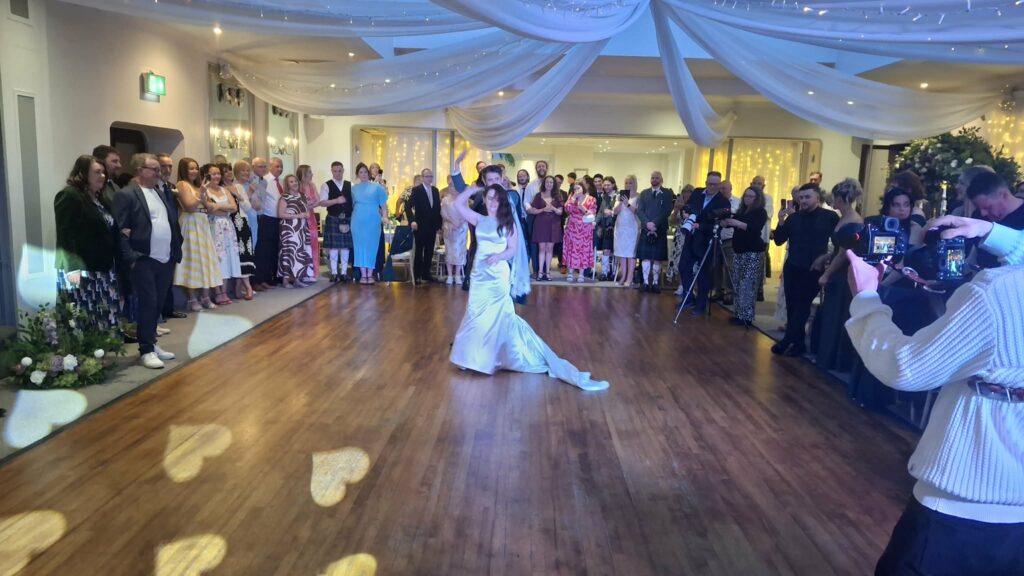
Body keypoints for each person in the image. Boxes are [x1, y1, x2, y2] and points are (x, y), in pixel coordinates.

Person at [845, 216, 1024, 576]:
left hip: (962, 508)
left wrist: (866, 299)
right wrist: (994, 235)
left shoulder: (998, 290)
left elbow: (905, 367)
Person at [448, 177, 608, 392]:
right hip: (479, 275)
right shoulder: (479, 219)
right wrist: (472, 189)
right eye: (489, 199)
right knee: (475, 312)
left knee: (497, 315)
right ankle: (471, 357)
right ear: (485, 201)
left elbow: (513, 249)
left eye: (496, 199)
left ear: (502, 201)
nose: (492, 203)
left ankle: (490, 357)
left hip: (497, 276)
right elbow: (459, 205)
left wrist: (499, 256)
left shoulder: (508, 223)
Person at [112, 154, 182, 369]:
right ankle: (146, 350)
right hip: (143, 259)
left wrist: (175, 247)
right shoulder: (127, 194)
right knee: (148, 303)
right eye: (153, 169)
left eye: (158, 169)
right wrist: (131, 258)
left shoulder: (160, 193)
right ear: (139, 170)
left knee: (158, 303)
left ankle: (151, 342)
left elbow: (169, 222)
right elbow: (121, 230)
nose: (158, 173)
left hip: (165, 258)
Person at [54, 155, 121, 332]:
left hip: (102, 269)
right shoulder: (69, 196)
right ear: (83, 174)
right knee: (81, 319)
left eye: (103, 172)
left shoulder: (99, 199)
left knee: (102, 318)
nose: (102, 176)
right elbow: (65, 234)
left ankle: (101, 354)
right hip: (81, 271)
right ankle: (84, 357)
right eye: (97, 172)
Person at [771, 183, 839, 356]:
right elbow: (779, 240)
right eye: (801, 197)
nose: (803, 201)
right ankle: (799, 344)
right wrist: (780, 220)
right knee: (793, 307)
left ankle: (787, 340)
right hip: (793, 267)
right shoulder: (794, 218)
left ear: (817, 197)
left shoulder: (829, 217)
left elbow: (840, 242)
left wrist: (829, 259)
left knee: (802, 306)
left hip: (813, 269)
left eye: (807, 197)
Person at [807, 179, 863, 371]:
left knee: (836, 316)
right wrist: (823, 258)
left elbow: (844, 253)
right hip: (837, 270)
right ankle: (825, 356)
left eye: (835, 197)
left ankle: (834, 360)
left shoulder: (854, 221)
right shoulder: (843, 217)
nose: (833, 200)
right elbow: (837, 249)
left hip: (844, 274)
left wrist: (826, 274)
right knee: (830, 314)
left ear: (842, 198)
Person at [677, 171, 730, 312]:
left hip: (707, 241)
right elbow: (687, 206)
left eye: (715, 184)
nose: (711, 187)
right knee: (683, 267)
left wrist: (701, 226)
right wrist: (685, 213)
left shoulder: (723, 201)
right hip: (691, 237)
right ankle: (688, 298)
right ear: (706, 182)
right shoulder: (697, 193)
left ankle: (701, 304)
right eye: (709, 183)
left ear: (719, 184)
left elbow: (719, 223)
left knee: (703, 274)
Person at [173, 158, 221, 311]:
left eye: (196, 168)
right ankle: (192, 299)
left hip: (202, 222)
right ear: (184, 170)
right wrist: (200, 194)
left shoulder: (198, 185)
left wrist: (204, 195)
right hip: (191, 222)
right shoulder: (182, 185)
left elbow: (210, 208)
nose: (194, 171)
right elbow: (190, 207)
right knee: (193, 259)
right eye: (190, 168)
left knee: (206, 259)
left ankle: (205, 296)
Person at [720, 186, 768, 326]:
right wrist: (726, 222)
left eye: (751, 196)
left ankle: (746, 317)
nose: (747, 198)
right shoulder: (742, 211)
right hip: (739, 250)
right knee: (738, 282)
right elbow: (733, 223)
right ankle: (738, 313)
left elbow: (754, 228)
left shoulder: (760, 212)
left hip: (753, 252)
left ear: (757, 198)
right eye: (746, 195)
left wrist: (736, 223)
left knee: (748, 284)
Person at [201, 163, 241, 305]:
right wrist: (223, 208)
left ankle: (224, 291)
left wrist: (219, 206)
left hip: (227, 226)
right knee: (218, 258)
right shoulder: (205, 191)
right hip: (213, 226)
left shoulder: (224, 190)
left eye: (218, 173)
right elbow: (211, 210)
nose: (217, 176)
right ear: (206, 175)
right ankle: (217, 292)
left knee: (228, 258)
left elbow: (234, 207)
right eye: (213, 174)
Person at [966, 171, 1024, 269]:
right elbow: (973, 257)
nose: (983, 213)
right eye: (978, 207)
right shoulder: (979, 216)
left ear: (1004, 195)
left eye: (987, 207)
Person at [155, 153, 186, 321]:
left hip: (172, 234)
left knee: (168, 275)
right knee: (158, 277)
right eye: (163, 166)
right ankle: (157, 312)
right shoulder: (152, 188)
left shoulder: (171, 186)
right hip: (158, 237)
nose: (167, 169)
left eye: (170, 166)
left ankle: (169, 308)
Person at [634, 172, 675, 292]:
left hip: (660, 228)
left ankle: (656, 283)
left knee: (657, 258)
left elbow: (667, 210)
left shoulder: (667, 193)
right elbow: (640, 211)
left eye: (657, 178)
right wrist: (647, 223)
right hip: (646, 228)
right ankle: (646, 283)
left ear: (661, 179)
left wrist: (655, 224)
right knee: (646, 257)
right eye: (652, 177)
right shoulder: (644, 193)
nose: (654, 179)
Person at [351, 162, 389, 285]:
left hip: (373, 220)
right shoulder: (353, 189)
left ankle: (370, 273)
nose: (363, 174)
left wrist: (384, 217)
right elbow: (351, 205)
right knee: (359, 247)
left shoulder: (377, 187)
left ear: (368, 173)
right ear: (357, 174)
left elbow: (383, 205)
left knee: (372, 247)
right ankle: (363, 274)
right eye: (360, 172)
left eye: (365, 172)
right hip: (357, 221)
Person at [277, 174, 314, 288]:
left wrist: (307, 214)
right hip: (289, 229)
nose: (294, 183)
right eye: (291, 182)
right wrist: (298, 215)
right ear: (287, 185)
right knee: (289, 253)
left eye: (295, 181)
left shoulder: (302, 196)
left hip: (302, 228)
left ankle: (298, 279)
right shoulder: (284, 197)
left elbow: (306, 210)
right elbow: (280, 214)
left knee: (300, 253)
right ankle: (285, 281)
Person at [319, 161, 354, 283]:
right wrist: (336, 201)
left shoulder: (351, 185)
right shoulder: (326, 185)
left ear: (343, 171)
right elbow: (322, 202)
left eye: (340, 171)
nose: (337, 173)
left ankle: (344, 273)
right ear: (331, 171)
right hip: (333, 218)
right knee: (334, 247)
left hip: (347, 219)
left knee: (345, 247)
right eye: (335, 171)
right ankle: (334, 273)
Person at [253, 157, 285, 290]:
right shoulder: (265, 180)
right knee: (264, 251)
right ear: (270, 167)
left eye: (281, 166)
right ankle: (260, 279)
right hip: (267, 218)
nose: (280, 168)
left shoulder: (282, 182)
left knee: (274, 250)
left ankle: (270, 278)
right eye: (277, 166)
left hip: (280, 219)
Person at [406, 168, 442, 283]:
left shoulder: (436, 190)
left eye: (431, 176)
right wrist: (412, 221)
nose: (429, 179)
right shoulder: (417, 190)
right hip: (420, 226)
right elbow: (408, 206)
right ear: (422, 178)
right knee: (419, 251)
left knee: (429, 251)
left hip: (432, 226)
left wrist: (439, 225)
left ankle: (426, 274)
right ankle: (417, 275)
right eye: (427, 176)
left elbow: (437, 209)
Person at [527, 175, 563, 282]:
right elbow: (533, 209)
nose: (549, 184)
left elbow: (561, 212)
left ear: (554, 184)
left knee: (549, 249)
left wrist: (553, 208)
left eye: (551, 182)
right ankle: (540, 273)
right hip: (540, 223)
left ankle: (547, 273)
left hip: (553, 224)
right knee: (542, 248)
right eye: (547, 182)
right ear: (544, 184)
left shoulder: (558, 196)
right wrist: (543, 209)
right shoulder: (538, 195)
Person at [711, 180, 741, 305]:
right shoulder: (715, 201)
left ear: (731, 188)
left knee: (730, 266)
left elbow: (734, 217)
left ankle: (729, 293)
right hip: (716, 237)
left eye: (724, 188)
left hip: (730, 238)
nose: (722, 190)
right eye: (721, 188)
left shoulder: (737, 202)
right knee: (716, 266)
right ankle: (718, 291)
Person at [562, 182, 597, 283]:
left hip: (585, 228)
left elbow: (592, 212)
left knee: (583, 250)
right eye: (575, 188)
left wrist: (582, 207)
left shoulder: (591, 199)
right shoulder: (572, 197)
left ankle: (581, 273)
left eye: (578, 187)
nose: (576, 190)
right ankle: (570, 272)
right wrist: (573, 198)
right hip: (572, 227)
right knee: (571, 249)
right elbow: (567, 209)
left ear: (583, 187)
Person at [613, 175, 640, 287]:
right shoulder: (620, 196)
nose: (628, 185)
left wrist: (627, 203)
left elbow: (637, 212)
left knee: (630, 254)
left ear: (634, 184)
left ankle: (630, 277)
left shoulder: (639, 196)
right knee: (621, 253)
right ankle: (623, 275)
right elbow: (615, 212)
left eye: (630, 183)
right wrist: (620, 202)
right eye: (626, 183)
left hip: (632, 228)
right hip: (620, 227)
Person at [441, 176, 468, 284]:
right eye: (450, 184)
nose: (452, 186)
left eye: (454, 184)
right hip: (449, 227)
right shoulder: (445, 199)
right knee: (450, 251)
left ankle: (457, 275)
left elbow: (466, 212)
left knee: (460, 251)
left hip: (461, 227)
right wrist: (452, 222)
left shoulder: (463, 198)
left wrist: (459, 222)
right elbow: (442, 213)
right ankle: (450, 276)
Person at [296, 165, 322, 282]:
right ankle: (303, 271)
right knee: (302, 244)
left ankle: (313, 272)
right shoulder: (298, 187)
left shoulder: (312, 185)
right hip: (300, 218)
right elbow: (298, 204)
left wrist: (308, 205)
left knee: (313, 243)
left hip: (310, 217)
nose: (312, 174)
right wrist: (309, 204)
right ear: (304, 174)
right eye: (310, 172)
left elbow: (318, 200)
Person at [668, 184, 695, 287]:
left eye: (689, 191)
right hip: (679, 236)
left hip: (690, 236)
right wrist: (676, 210)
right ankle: (680, 284)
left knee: (688, 262)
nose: (687, 193)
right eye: (685, 191)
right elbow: (671, 221)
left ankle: (689, 285)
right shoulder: (679, 204)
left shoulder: (694, 205)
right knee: (678, 260)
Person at [596, 177, 618, 281]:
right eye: (604, 185)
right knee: (606, 250)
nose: (605, 187)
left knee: (615, 251)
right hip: (606, 228)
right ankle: (605, 272)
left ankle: (613, 273)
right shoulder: (604, 197)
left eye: (608, 185)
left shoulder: (618, 196)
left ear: (613, 185)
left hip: (617, 227)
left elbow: (621, 211)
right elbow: (600, 212)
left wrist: (611, 212)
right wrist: (594, 222)